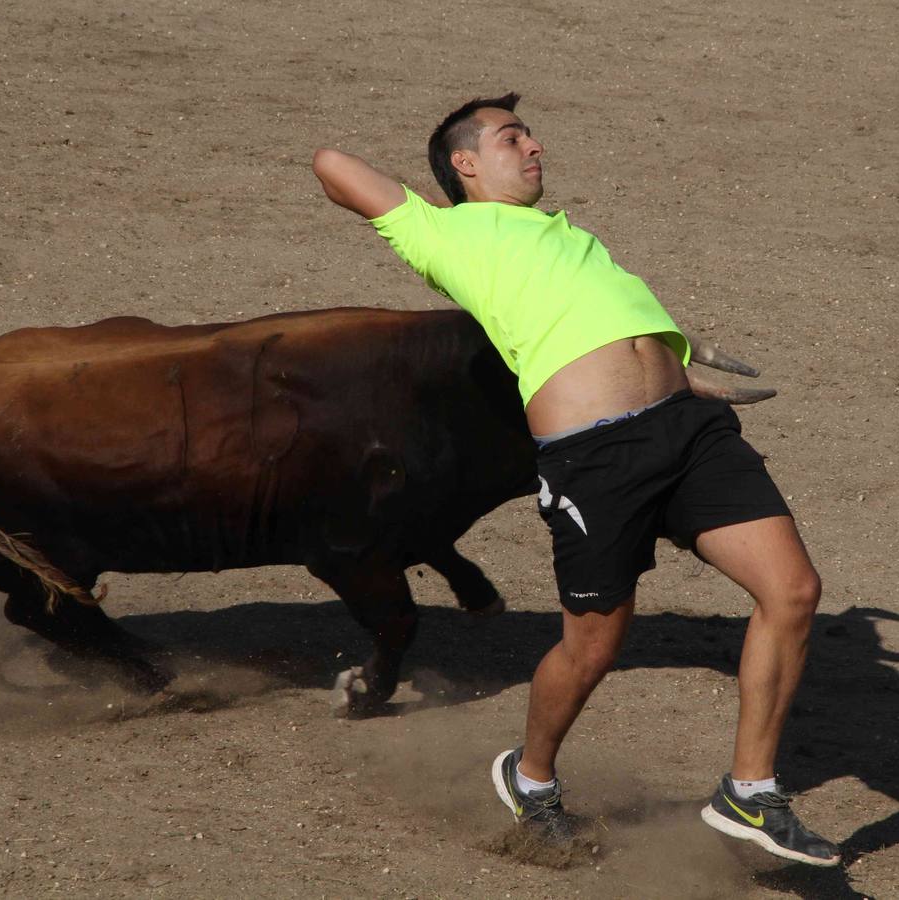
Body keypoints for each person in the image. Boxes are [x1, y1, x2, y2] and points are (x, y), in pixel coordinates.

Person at [312, 93, 840, 867]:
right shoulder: (444, 234)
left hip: (689, 433)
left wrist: (672, 358)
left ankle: (750, 793)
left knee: (793, 591)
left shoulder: (568, 235)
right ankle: (531, 779)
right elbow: (331, 164)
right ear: (464, 162)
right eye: (511, 137)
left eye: (529, 136)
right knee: (593, 648)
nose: (535, 148)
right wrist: (425, 204)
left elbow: (592, 315)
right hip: (595, 460)